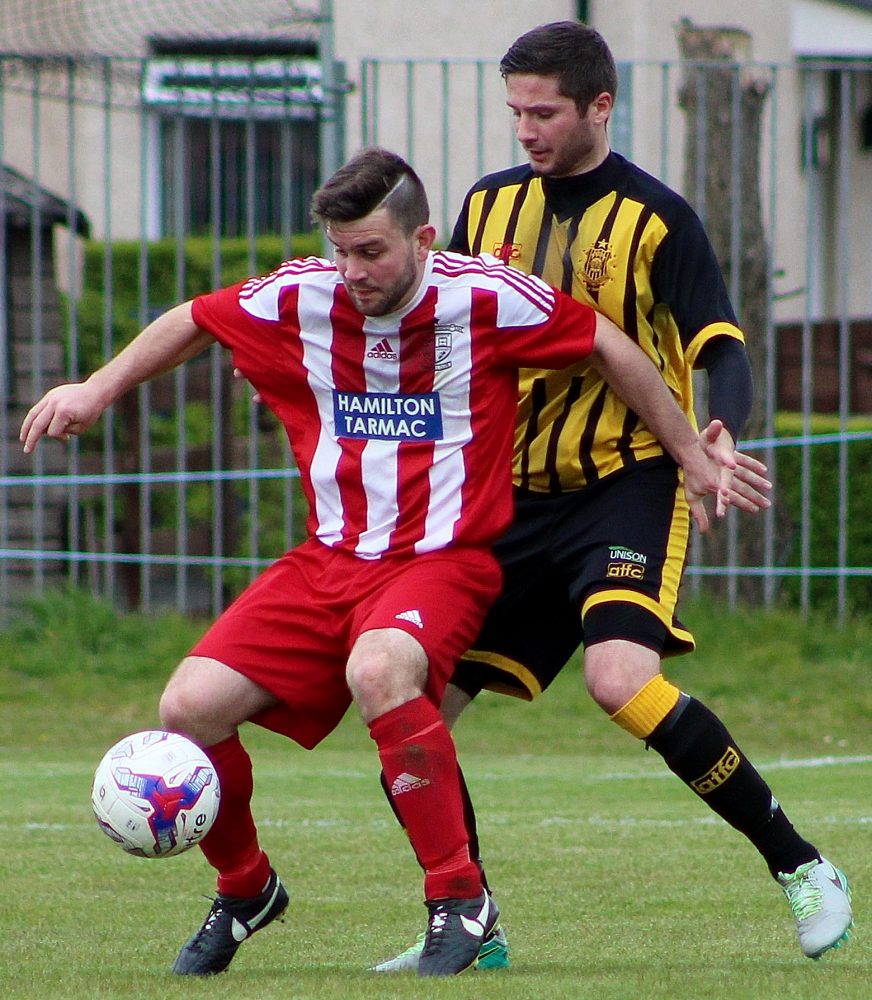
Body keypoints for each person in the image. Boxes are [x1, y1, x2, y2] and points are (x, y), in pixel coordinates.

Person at [20, 147, 737, 979]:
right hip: (327, 559)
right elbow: (191, 317)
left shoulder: (484, 298)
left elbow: (608, 342)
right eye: (340, 250)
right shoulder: (302, 296)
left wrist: (688, 449)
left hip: (444, 559)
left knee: (381, 669)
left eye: (372, 251)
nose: (353, 270)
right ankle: (246, 889)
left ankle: (460, 902)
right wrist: (95, 390)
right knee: (187, 706)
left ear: (423, 237)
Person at [372, 22, 853, 973]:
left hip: (627, 484)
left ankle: (802, 867)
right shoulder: (488, 206)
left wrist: (722, 425)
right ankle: (471, 920)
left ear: (600, 106)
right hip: (508, 500)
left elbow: (720, 342)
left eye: (544, 111)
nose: (526, 130)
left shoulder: (658, 217)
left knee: (618, 679)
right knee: (406, 695)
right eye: (515, 111)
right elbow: (441, 325)